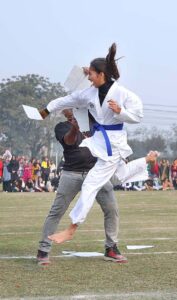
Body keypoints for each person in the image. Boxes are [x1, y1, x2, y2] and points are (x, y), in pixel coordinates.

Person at [39, 42, 158, 244]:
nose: (88, 78)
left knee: (91, 185)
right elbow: (68, 99)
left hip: (114, 145)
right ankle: (146, 159)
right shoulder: (89, 93)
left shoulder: (123, 94)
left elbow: (137, 115)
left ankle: (71, 229)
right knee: (118, 176)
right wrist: (47, 110)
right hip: (100, 143)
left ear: (101, 74)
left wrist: (121, 112)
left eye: (91, 74)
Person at [37, 109, 127, 265]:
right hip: (71, 173)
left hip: (97, 173)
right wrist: (75, 127)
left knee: (111, 209)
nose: (70, 109)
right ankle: (43, 249)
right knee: (57, 211)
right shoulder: (62, 126)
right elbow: (69, 141)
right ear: (65, 113)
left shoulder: (94, 122)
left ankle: (111, 247)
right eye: (68, 108)